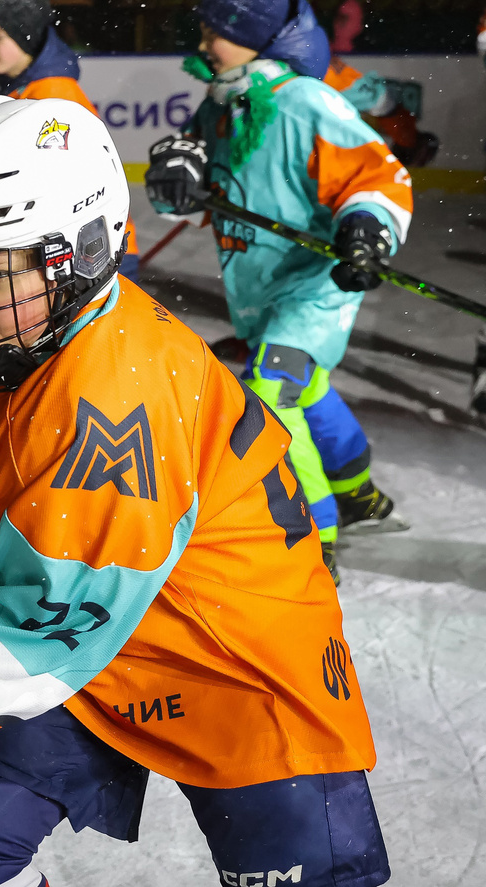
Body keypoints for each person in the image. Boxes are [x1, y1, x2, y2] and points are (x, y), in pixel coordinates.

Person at [0, 94, 390, 887]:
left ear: (84, 250)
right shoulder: (14, 334)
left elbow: (51, 618)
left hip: (234, 666)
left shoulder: (107, 397)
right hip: (103, 649)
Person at [147, 0, 413, 583]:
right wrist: (176, 184)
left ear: (254, 36)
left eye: (216, 30)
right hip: (260, 286)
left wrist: (367, 226)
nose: (204, 40)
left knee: (270, 397)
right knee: (306, 388)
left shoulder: (305, 102)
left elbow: (380, 176)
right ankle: (357, 492)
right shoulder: (220, 107)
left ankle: (314, 539)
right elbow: (198, 200)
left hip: (318, 282)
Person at [0, 0, 140, 281]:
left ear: (25, 36)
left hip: (88, 252)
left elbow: (66, 181)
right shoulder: (21, 86)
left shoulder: (53, 94)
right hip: (71, 248)